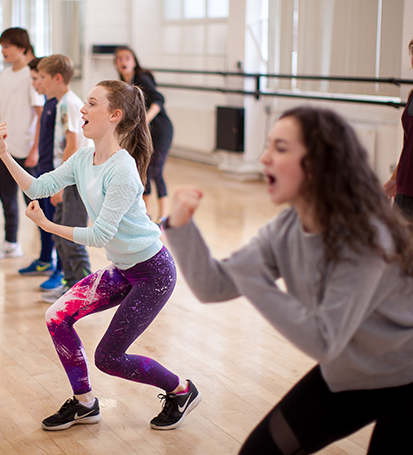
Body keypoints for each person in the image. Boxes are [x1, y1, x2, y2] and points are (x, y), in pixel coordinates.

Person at [166, 106, 413, 454]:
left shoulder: (365, 238)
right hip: (349, 374)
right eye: (268, 146)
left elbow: (324, 340)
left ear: (317, 164)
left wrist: (256, 282)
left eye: (280, 148)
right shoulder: (284, 230)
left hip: (406, 376)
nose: (264, 158)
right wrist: (180, 227)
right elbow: (214, 286)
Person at [0, 79, 201, 431]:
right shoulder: (84, 158)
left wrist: (48, 226)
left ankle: (181, 390)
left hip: (153, 273)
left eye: (91, 103)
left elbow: (100, 234)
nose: (83, 109)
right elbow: (40, 186)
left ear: (114, 115)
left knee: (109, 358)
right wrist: (3, 153)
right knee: (57, 316)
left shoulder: (122, 169)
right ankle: (85, 404)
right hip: (124, 268)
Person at [0, 27, 44, 260]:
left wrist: (35, 149)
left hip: (28, 151)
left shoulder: (31, 76)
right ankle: (11, 243)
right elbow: (5, 111)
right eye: (2, 46)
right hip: (7, 150)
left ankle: (48, 252)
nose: (3, 51)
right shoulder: (5, 75)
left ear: (22, 48)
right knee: (6, 198)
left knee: (34, 202)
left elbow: (40, 114)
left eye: (7, 46)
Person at [36, 54, 91, 303]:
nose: (40, 82)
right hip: (70, 179)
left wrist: (61, 182)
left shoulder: (69, 103)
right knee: (60, 232)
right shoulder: (60, 103)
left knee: (72, 235)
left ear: (58, 78)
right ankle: (71, 286)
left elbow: (72, 145)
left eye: (43, 78)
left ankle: (86, 291)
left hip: (76, 181)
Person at [115, 46, 173, 221]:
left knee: (155, 171)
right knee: (143, 170)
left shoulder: (142, 78)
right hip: (146, 133)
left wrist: (145, 120)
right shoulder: (125, 85)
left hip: (161, 130)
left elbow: (159, 99)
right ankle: (146, 215)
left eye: (127, 58)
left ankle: (163, 218)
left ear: (134, 61)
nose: (123, 62)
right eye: (119, 59)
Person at [17, 57, 60, 279]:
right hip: (45, 173)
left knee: (56, 222)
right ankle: (45, 260)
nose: (35, 83)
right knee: (42, 216)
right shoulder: (49, 103)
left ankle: (62, 270)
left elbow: (68, 145)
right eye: (34, 78)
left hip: (55, 175)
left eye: (38, 78)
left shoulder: (59, 105)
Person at [383, 38, 413, 221]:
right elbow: (408, 143)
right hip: (405, 186)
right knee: (398, 246)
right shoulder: (411, 94)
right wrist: (395, 179)